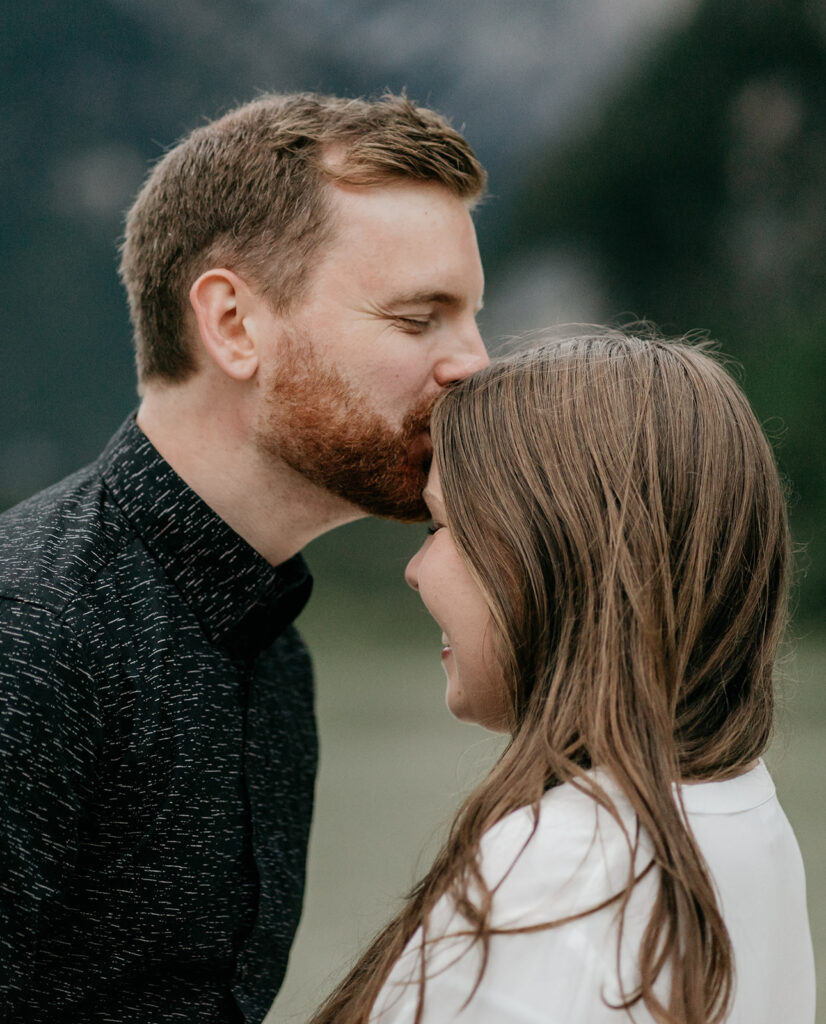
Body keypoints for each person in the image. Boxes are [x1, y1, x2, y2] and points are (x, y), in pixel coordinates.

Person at [0, 92, 488, 1023]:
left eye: (469, 317)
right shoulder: (30, 637)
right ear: (232, 324)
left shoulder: (271, 648)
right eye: (421, 317)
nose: (474, 362)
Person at [310, 332, 816, 1024]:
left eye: (440, 525)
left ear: (557, 551)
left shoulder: (560, 881)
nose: (415, 569)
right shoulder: (740, 814)